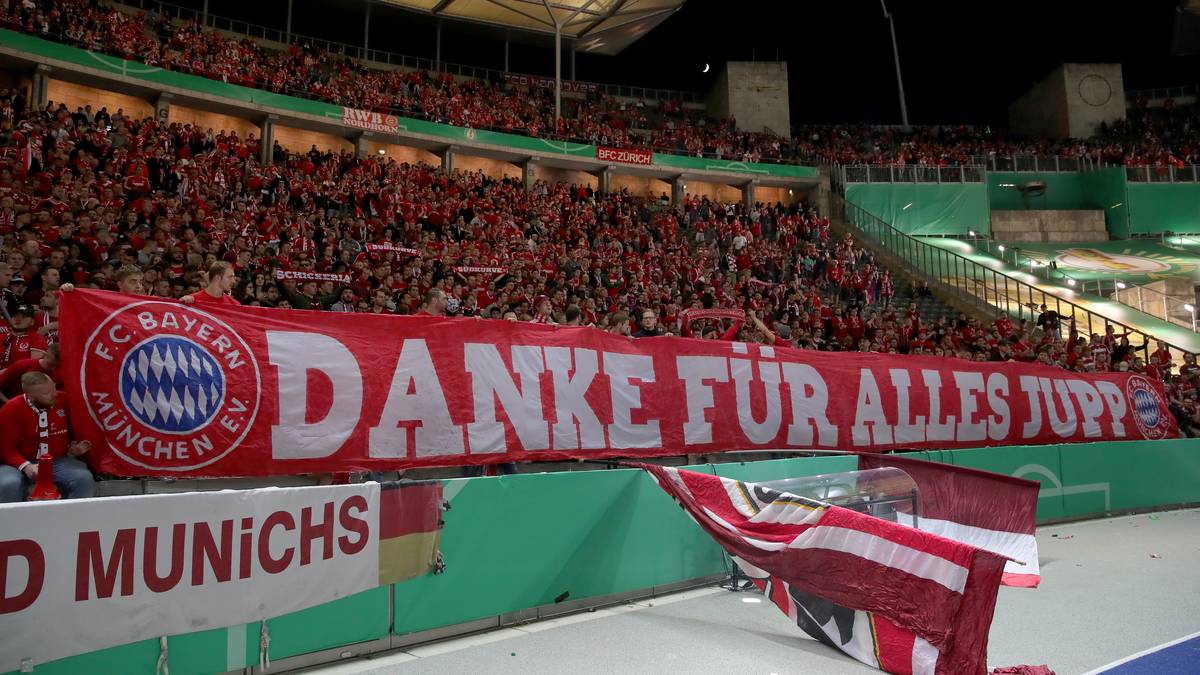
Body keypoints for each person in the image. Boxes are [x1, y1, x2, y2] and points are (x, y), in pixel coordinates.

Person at [0, 372, 95, 502]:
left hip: (56, 460)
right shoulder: (11, 409)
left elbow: (80, 425)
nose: (54, 394)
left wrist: (74, 447)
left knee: (83, 479)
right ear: (31, 397)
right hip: (18, 462)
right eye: (47, 393)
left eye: (54, 388)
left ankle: (75, 519)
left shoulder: (64, 400)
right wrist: (25, 465)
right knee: (9, 484)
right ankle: (12, 521)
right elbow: (6, 448)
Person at [0, 305, 48, 369]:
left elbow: (34, 368)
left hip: (22, 377)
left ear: (32, 322)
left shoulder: (37, 339)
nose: (18, 319)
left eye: (24, 316)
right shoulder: (2, 337)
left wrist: (7, 372)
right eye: (15, 316)